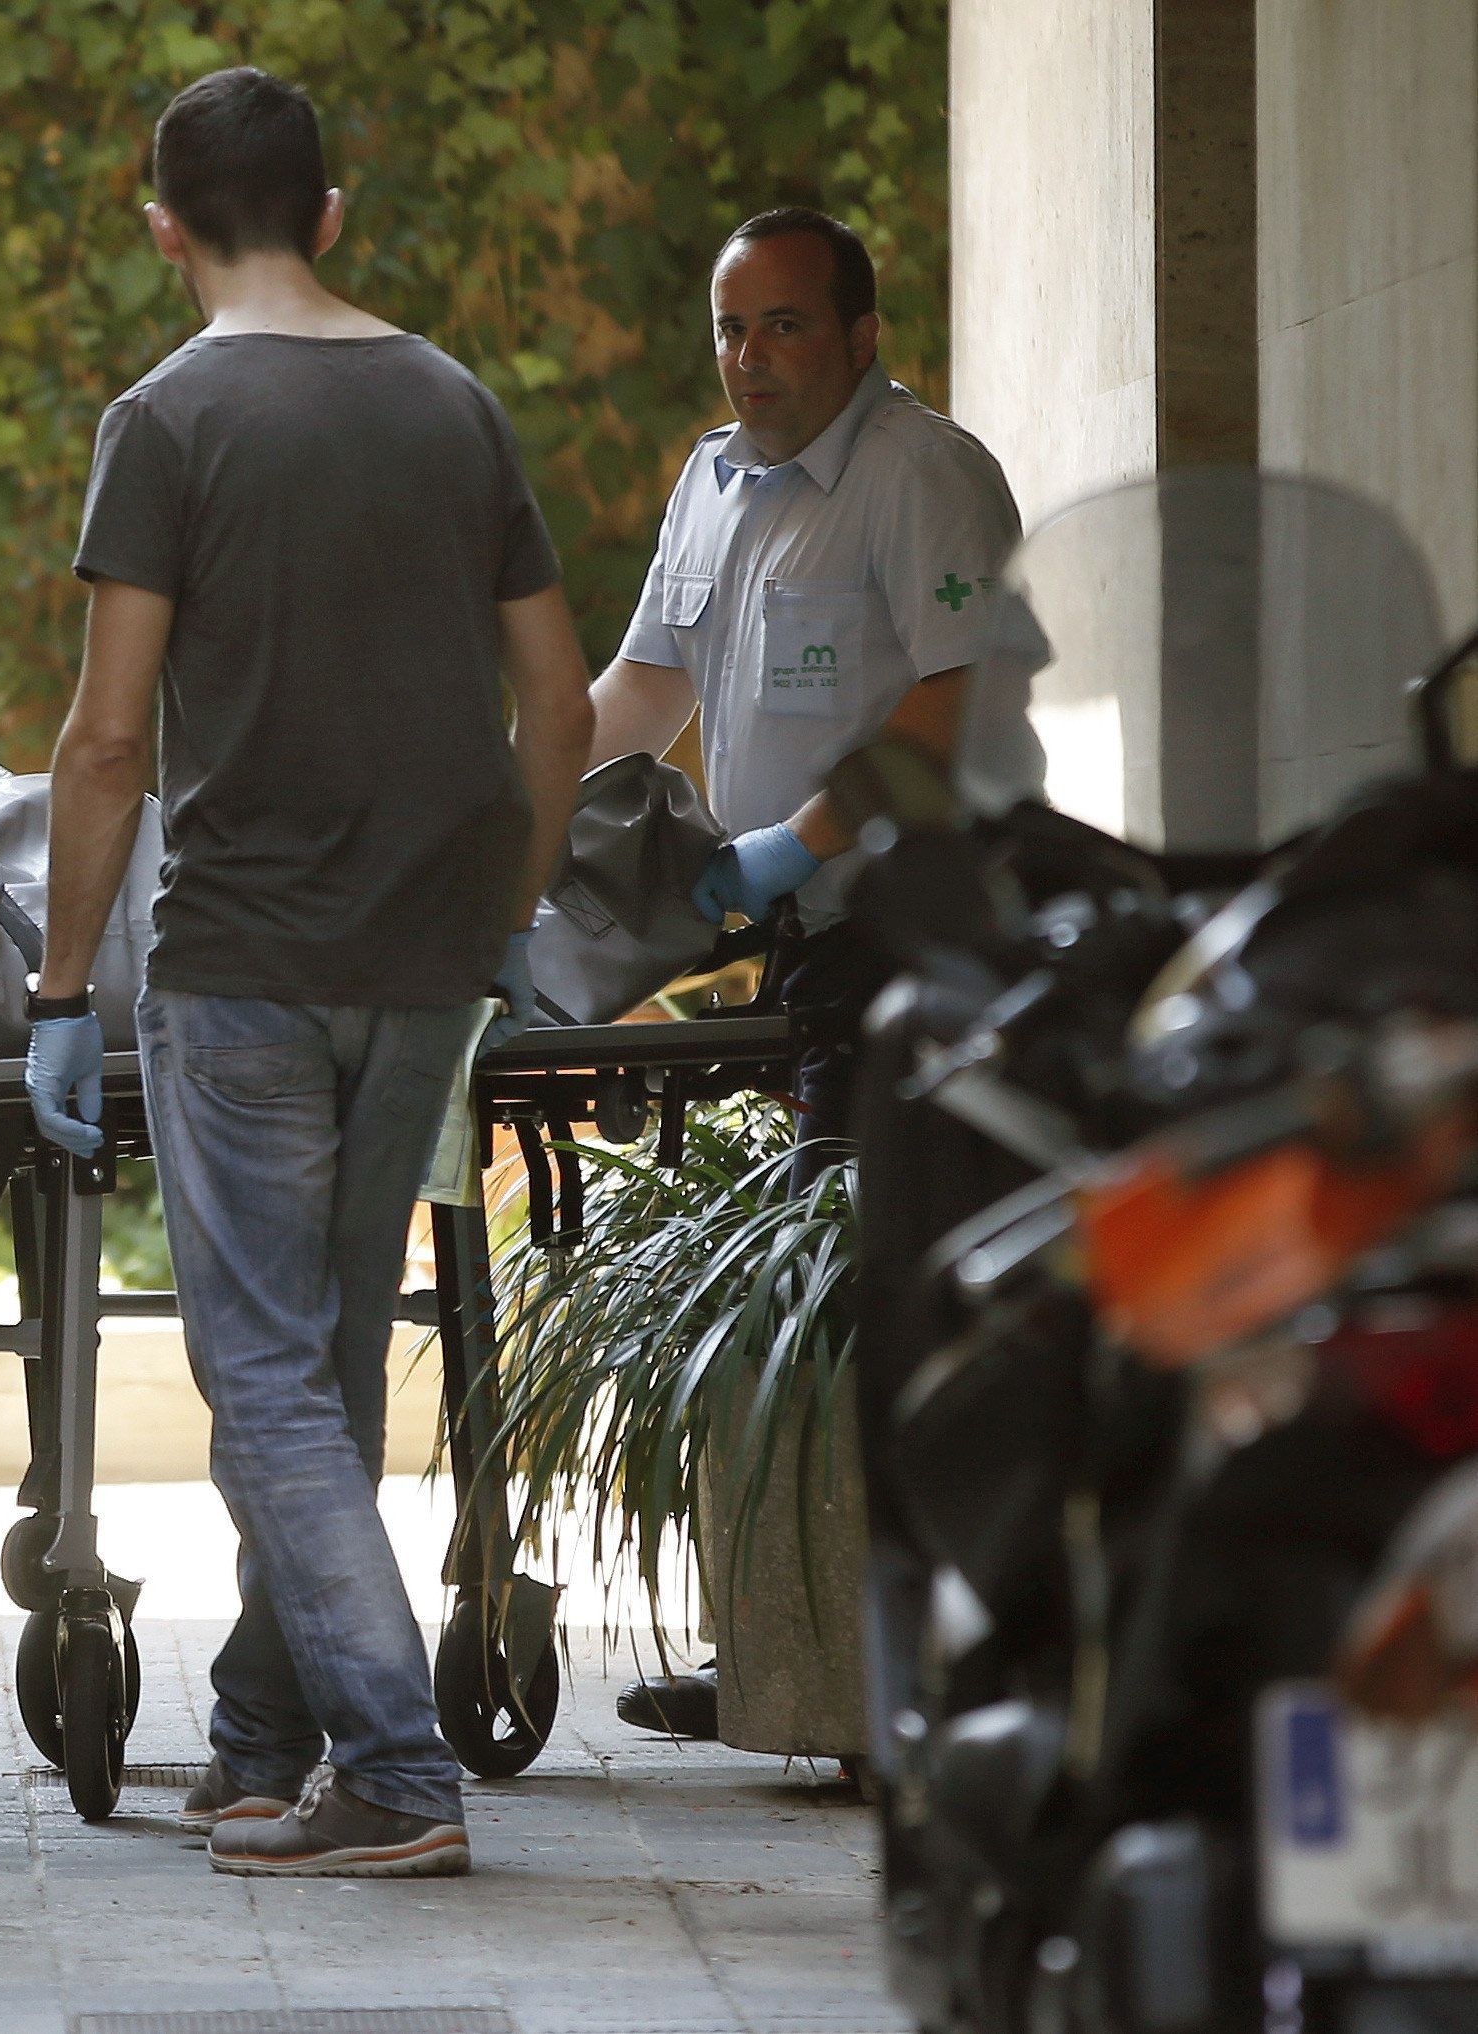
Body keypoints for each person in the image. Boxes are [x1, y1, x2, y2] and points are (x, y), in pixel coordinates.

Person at [25, 67, 593, 1879]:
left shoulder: (167, 420)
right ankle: (261, 1744)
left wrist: (55, 990)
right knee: (322, 1369)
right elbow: (560, 705)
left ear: (161, 227)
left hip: (248, 958)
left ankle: (397, 1771)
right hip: (426, 955)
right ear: (332, 213)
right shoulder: (451, 403)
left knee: (265, 1377)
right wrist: (506, 907)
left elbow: (107, 743)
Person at [589, 206, 1020, 1740]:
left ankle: (887, 1660)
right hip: (795, 944)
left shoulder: (921, 475)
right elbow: (641, 690)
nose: (749, 357)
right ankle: (796, 1638)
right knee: (803, 1282)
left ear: (858, 335)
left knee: (882, 1285)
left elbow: (957, 700)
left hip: (925, 925)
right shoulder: (711, 482)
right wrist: (510, 812)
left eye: (781, 325)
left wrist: (792, 839)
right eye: (728, 326)